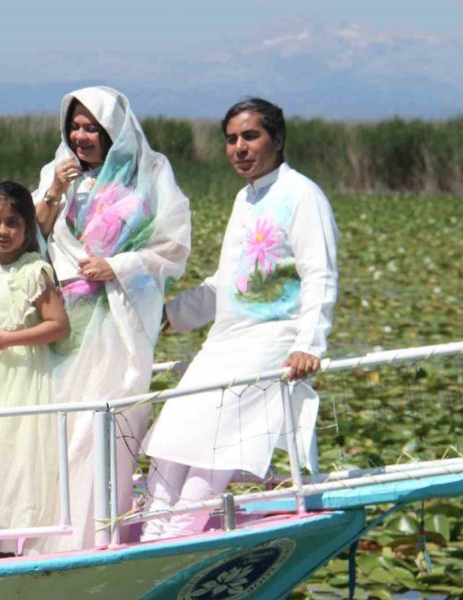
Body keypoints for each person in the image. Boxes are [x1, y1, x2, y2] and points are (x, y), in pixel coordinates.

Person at [141, 98, 339, 540]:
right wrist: (169, 315)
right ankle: (150, 541)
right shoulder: (244, 198)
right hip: (224, 342)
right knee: (170, 445)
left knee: (210, 456)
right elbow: (227, 281)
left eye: (251, 136)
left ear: (278, 139)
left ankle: (173, 544)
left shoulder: (302, 195)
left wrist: (310, 344)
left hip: (270, 343)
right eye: (231, 139)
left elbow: (320, 274)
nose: (239, 148)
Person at [32, 86, 191, 551]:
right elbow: (29, 237)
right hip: (65, 324)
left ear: (113, 130)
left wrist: (117, 267)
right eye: (75, 126)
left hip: (121, 320)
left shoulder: (151, 172)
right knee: (63, 428)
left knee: (109, 421)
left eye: (92, 127)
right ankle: (55, 539)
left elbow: (172, 245)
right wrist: (56, 191)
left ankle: (102, 533)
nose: (81, 136)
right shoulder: (53, 172)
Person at [0, 181, 69, 558]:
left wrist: (10, 338)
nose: (2, 232)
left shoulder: (34, 271)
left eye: (12, 223)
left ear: (27, 227)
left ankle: (7, 542)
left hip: (18, 374)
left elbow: (58, 325)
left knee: (11, 449)